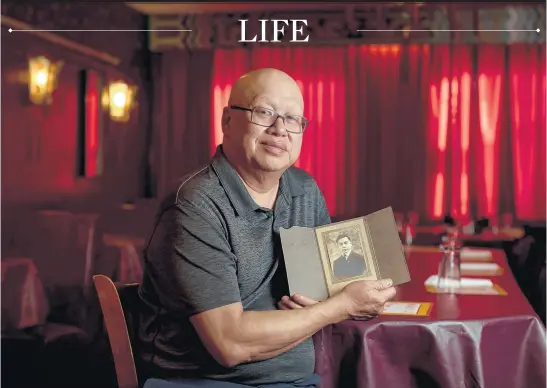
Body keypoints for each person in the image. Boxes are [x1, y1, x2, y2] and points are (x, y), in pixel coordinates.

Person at [137, 68, 397, 388]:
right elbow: (229, 344)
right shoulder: (194, 205)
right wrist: (340, 307)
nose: (280, 130)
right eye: (264, 112)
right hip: (204, 383)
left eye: (293, 119)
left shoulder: (304, 189)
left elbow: (329, 290)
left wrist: (357, 295)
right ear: (227, 121)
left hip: (299, 381)